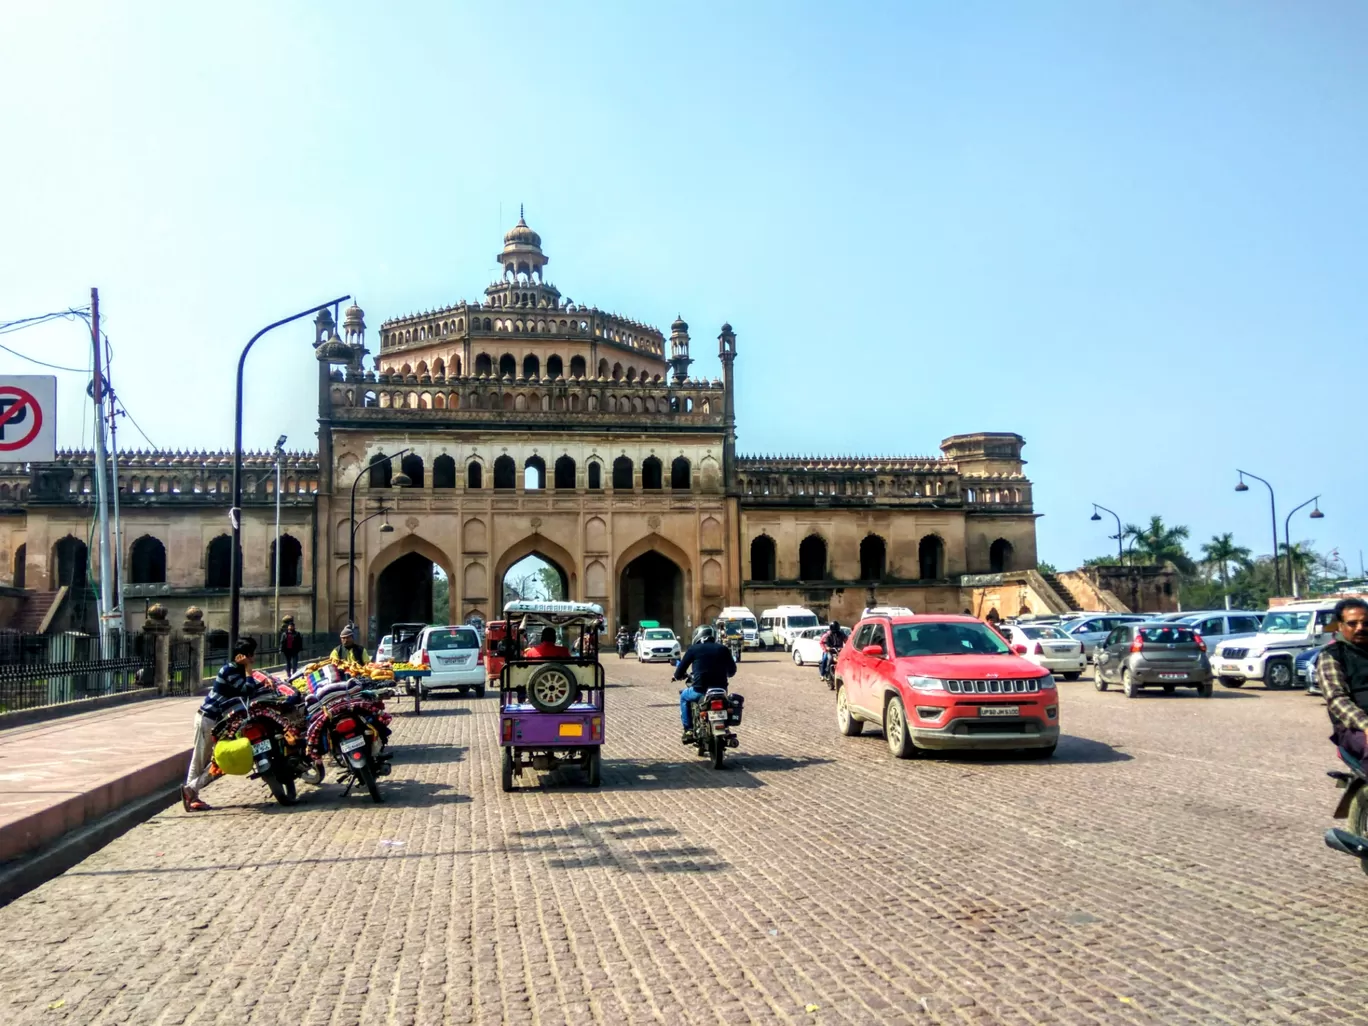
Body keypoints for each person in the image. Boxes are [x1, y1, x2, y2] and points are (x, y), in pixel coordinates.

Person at [183, 637, 268, 812]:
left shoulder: (236, 670)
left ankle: (191, 793)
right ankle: (191, 791)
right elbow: (247, 690)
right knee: (209, 759)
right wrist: (249, 670)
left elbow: (250, 690)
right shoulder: (229, 671)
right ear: (243, 656)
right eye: (251, 655)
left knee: (212, 759)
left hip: (219, 722)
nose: (253, 658)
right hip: (208, 719)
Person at [1318, 598, 1368, 760]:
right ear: (1340, 625)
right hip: (1354, 727)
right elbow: (1336, 698)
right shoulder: (1332, 655)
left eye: (1365, 623)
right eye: (1352, 623)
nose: (1360, 628)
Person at [672, 625, 737, 743]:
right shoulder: (723, 649)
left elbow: (681, 668)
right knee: (727, 704)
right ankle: (725, 727)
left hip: (699, 690)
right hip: (721, 690)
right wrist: (727, 674)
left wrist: (676, 676)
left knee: (684, 697)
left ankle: (689, 730)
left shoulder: (693, 649)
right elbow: (732, 670)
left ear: (698, 636)